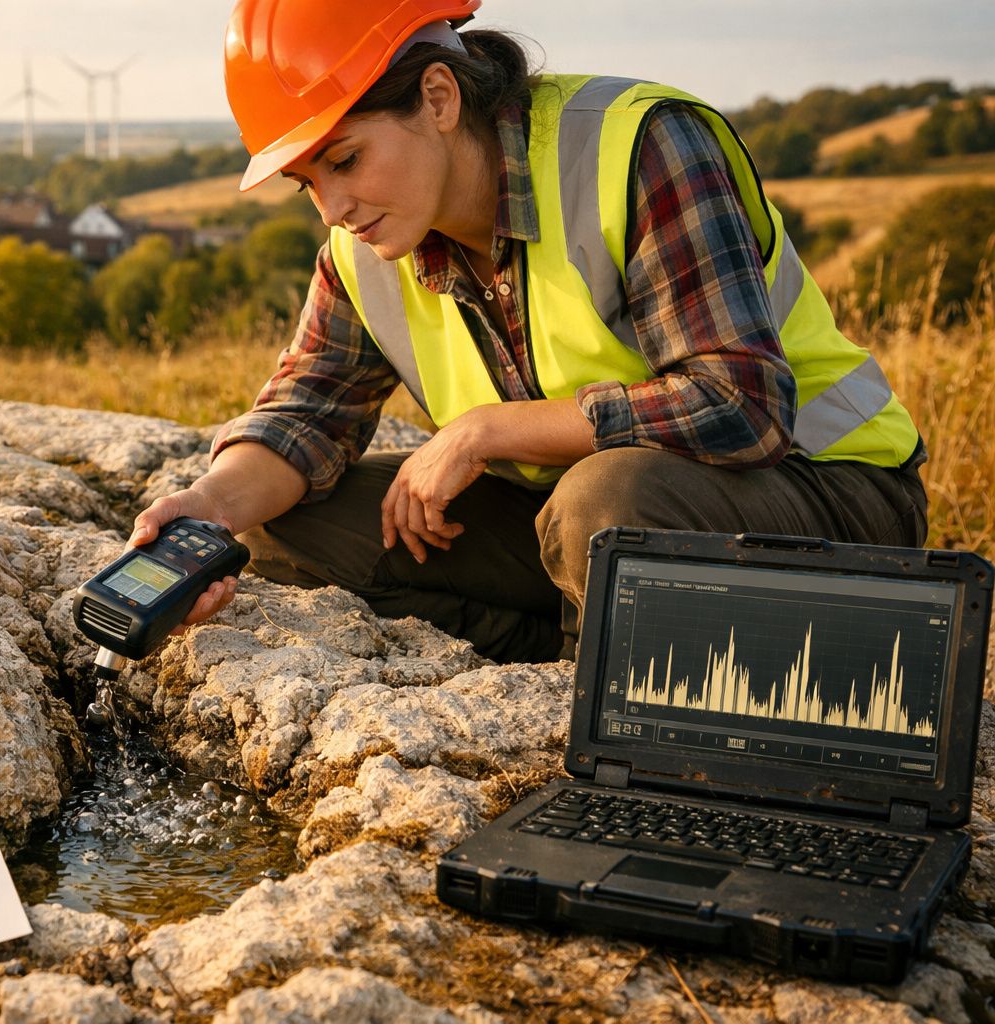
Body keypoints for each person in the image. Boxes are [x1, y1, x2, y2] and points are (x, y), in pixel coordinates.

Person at [130, 0, 927, 663]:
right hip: (579, 530)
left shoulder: (639, 146)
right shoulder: (366, 245)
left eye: (344, 159)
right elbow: (308, 412)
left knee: (607, 498)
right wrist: (207, 505)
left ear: (439, 98)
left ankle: (599, 708)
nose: (332, 206)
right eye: (309, 181)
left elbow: (740, 406)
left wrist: (487, 431)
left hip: (826, 491)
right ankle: (564, 671)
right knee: (284, 522)